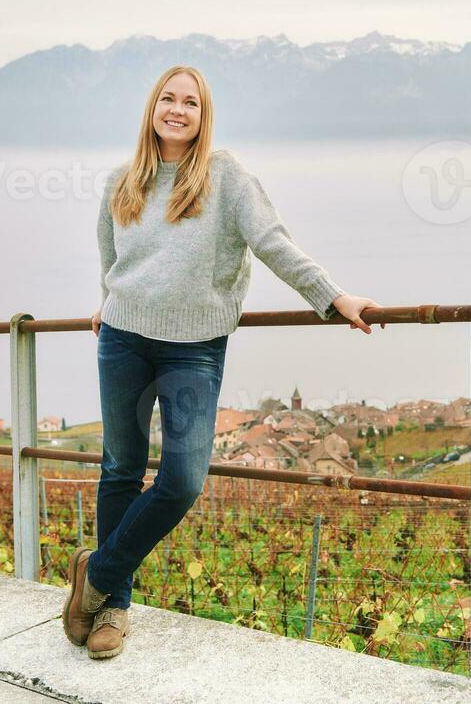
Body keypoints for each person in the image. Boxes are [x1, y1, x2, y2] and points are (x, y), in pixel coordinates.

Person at [62, 64, 383, 659]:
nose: (177, 109)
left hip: (195, 348)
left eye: (191, 102)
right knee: (121, 470)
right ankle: (112, 607)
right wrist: (106, 302)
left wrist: (332, 298)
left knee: (182, 479)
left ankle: (97, 573)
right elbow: (111, 256)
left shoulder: (225, 177)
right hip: (124, 340)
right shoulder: (120, 180)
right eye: (168, 98)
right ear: (152, 108)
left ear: (204, 115)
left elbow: (272, 242)